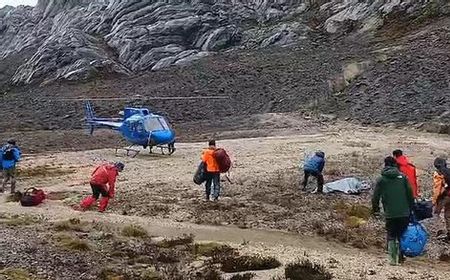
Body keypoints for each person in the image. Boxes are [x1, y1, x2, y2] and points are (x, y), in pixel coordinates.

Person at [372, 156, 414, 266]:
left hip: (390, 212)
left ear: (385, 164)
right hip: (404, 212)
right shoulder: (403, 177)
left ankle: (392, 258)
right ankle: (400, 257)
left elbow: (375, 197)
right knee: (401, 234)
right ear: (395, 164)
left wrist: (375, 210)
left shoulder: (381, 179)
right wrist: (411, 208)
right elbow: (410, 194)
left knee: (391, 234)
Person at [432, 158, 450, 242]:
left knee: (436, 213)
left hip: (444, 196)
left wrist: (434, 200)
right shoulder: (448, 171)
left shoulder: (439, 174)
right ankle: (449, 233)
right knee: (448, 215)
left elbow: (437, 189)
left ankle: (439, 231)